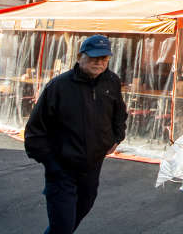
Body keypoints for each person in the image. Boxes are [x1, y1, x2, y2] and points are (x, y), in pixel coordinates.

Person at [25, 34, 128, 234]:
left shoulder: (111, 81)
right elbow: (35, 130)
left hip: (92, 166)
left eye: (104, 59)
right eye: (93, 58)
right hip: (62, 168)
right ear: (80, 56)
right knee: (62, 225)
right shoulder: (59, 86)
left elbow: (119, 113)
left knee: (81, 210)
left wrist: (117, 137)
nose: (98, 63)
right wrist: (51, 162)